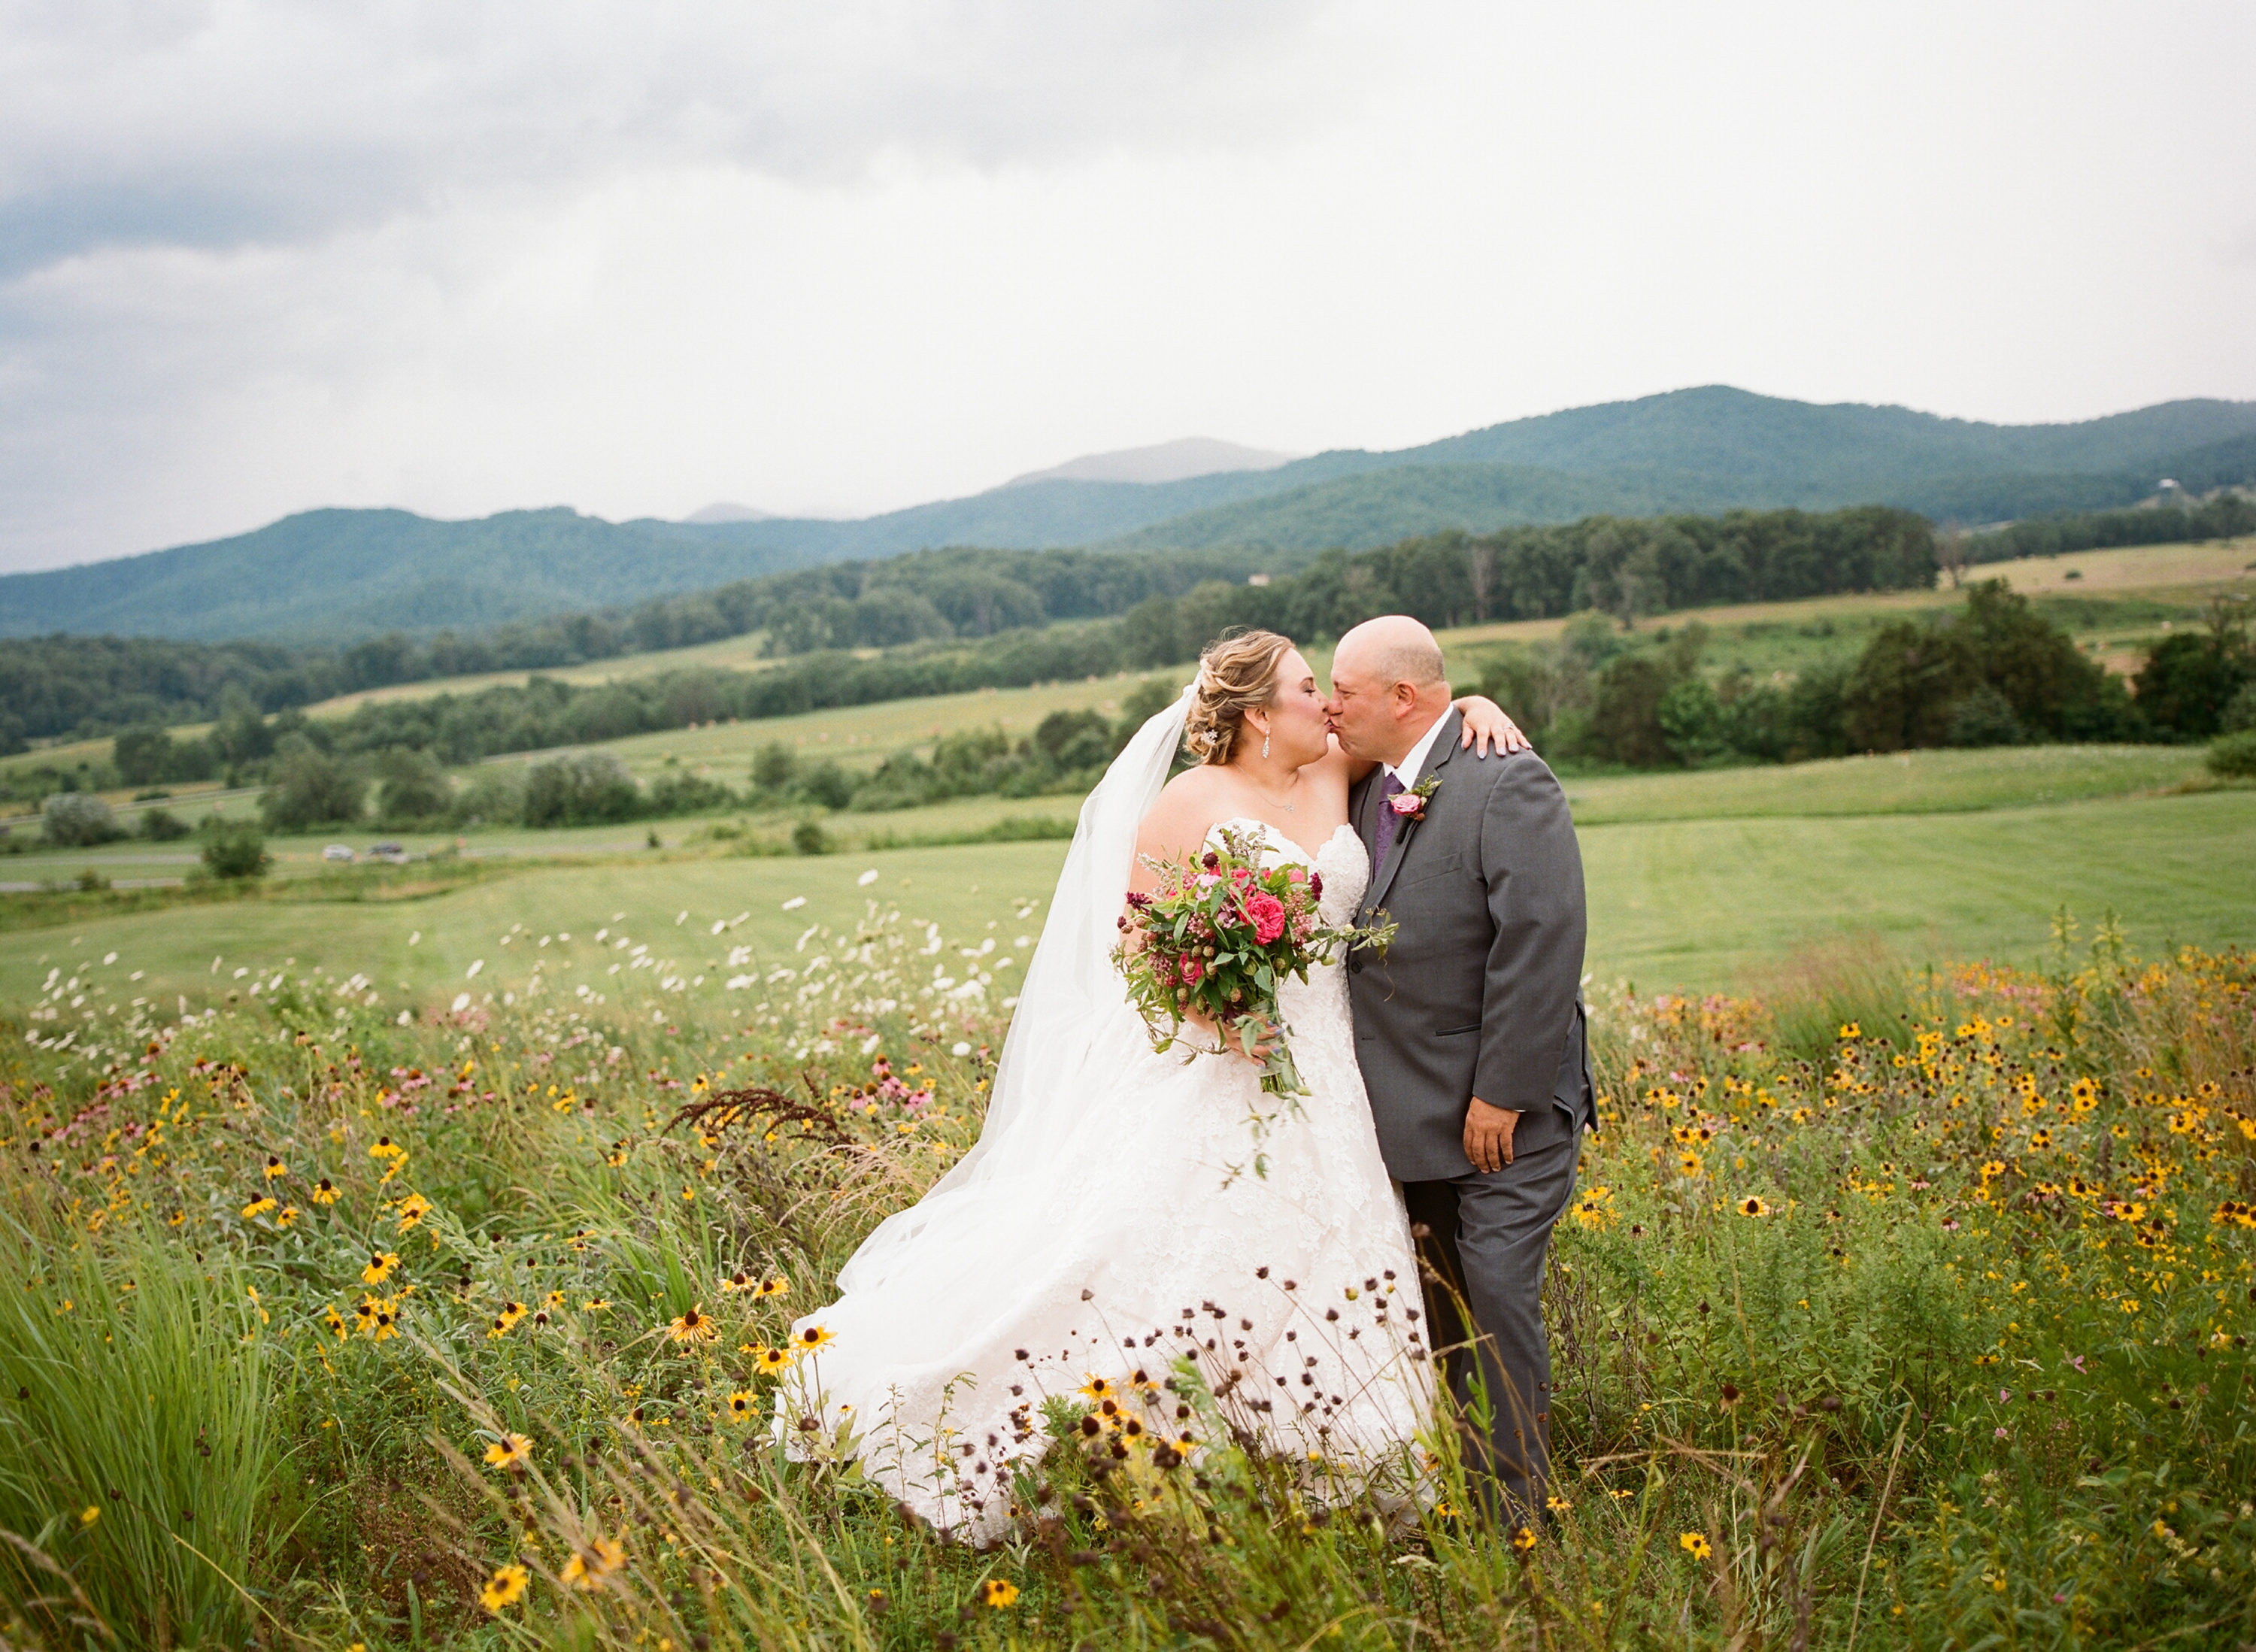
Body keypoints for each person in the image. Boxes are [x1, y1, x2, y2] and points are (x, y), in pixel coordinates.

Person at [779, 629, 1526, 1538]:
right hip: (1225, 1068)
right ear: (1258, 714)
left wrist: (1478, 706)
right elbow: (1138, 943)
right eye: (1306, 687)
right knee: (1160, 1256)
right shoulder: (1190, 798)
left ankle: (1328, 1465)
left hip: (1331, 1074)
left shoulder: (1338, 770)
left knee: (1334, 1254)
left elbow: (1423, 722)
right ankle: (1122, 1444)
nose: (1326, 703)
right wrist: (1225, 1014)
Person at [1327, 614, 1594, 1521]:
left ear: (1403, 698)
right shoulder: (1365, 783)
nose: (1330, 707)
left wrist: (1501, 1095)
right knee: (1441, 1308)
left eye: (1347, 692)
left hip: (1504, 1114)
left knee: (1495, 1294)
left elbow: (1542, 940)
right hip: (1408, 1115)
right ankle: (1467, 1484)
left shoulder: (1507, 780)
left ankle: (1517, 1516)